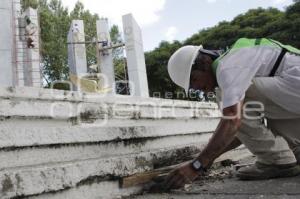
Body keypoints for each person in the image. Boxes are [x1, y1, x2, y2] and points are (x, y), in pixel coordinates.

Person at [161, 38, 300, 191]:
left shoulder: (227, 67)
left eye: (194, 79)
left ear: (205, 62)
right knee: (244, 105)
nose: (198, 88)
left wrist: (196, 166)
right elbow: (244, 133)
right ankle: (294, 150)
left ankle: (276, 160)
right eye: (193, 87)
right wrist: (206, 158)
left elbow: (233, 121)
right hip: (293, 96)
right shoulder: (238, 61)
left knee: (224, 94)